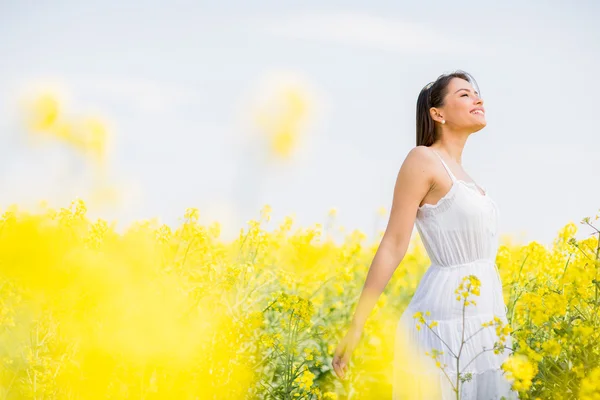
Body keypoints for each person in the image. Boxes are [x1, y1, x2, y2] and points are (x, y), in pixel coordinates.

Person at [331, 70, 519, 399]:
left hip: (486, 317)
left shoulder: (472, 182)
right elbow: (392, 245)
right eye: (464, 94)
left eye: (477, 93)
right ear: (438, 113)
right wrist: (356, 325)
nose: (478, 99)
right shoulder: (423, 159)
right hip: (445, 316)